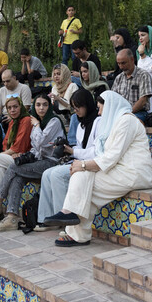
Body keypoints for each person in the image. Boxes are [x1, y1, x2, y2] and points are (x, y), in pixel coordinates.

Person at [43, 91, 152, 246]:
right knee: (82, 180)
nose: (100, 112)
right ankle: (73, 222)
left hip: (134, 173)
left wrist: (82, 164)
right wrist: (82, 166)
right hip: (120, 170)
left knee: (83, 180)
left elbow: (111, 157)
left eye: (101, 108)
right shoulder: (117, 122)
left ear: (110, 106)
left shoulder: (127, 121)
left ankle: (73, 222)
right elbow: (106, 156)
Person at [0, 94, 66, 232]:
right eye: (38, 105)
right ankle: (12, 217)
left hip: (52, 163)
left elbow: (41, 141)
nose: (41, 108)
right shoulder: (38, 123)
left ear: (49, 107)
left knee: (13, 167)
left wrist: (35, 125)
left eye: (45, 105)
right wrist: (24, 157)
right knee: (17, 177)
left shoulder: (53, 121)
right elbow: (36, 149)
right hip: (38, 161)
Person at [37, 89, 100, 231]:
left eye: (78, 107)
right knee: (47, 173)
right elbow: (79, 147)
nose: (76, 110)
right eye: (74, 107)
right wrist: (67, 150)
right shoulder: (81, 124)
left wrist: (74, 151)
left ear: (87, 105)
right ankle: (45, 218)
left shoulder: (98, 122)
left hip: (91, 165)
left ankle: (65, 221)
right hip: (79, 161)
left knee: (57, 174)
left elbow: (96, 152)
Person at [111, 49, 152, 122]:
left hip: (139, 113)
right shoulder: (118, 78)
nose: (121, 67)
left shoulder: (143, 75)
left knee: (127, 121)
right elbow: (113, 99)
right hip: (121, 114)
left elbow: (143, 100)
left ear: (132, 59)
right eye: (118, 63)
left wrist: (128, 113)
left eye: (123, 63)